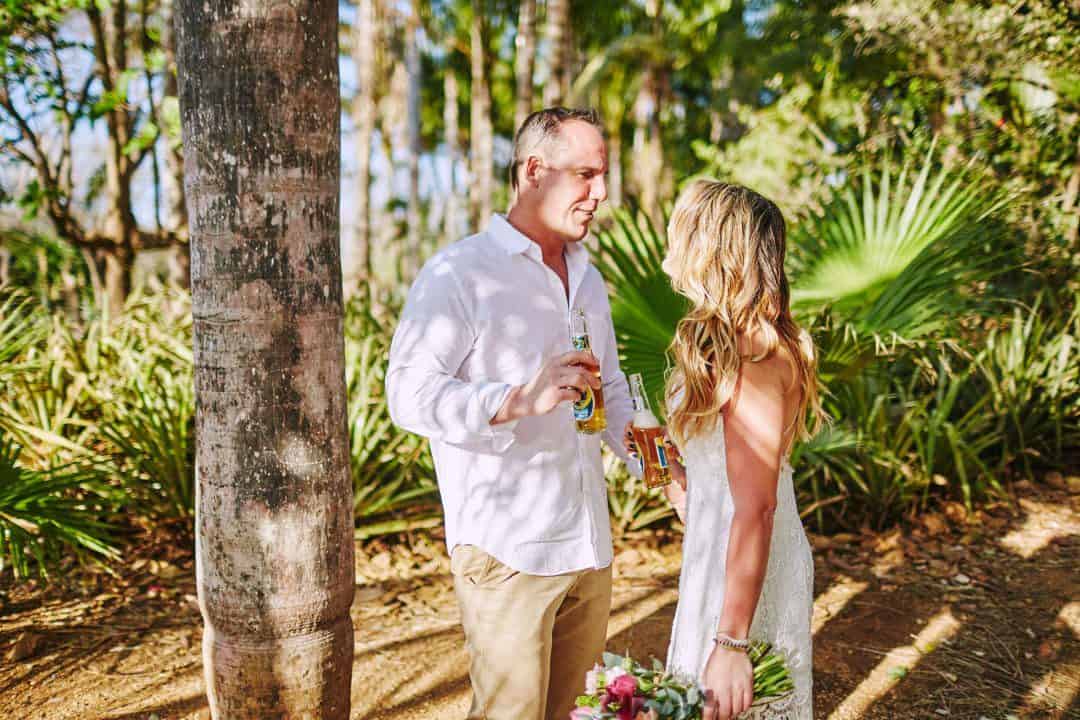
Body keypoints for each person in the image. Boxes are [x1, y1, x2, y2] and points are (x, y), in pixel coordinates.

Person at [386, 107, 639, 720]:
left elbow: (607, 392)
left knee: (581, 714)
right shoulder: (459, 272)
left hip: (589, 548)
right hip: (507, 554)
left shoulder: (590, 277)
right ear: (533, 170)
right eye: (586, 175)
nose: (601, 193)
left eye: (602, 176)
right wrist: (516, 400)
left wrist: (663, 469)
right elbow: (407, 392)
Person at [626, 180, 824, 720]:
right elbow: (712, 489)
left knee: (733, 701)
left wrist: (732, 643)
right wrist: (665, 468)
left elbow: (757, 506)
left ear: (713, 248)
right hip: (716, 551)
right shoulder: (723, 345)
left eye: (683, 230)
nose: (673, 244)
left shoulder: (756, 356)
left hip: (748, 565)